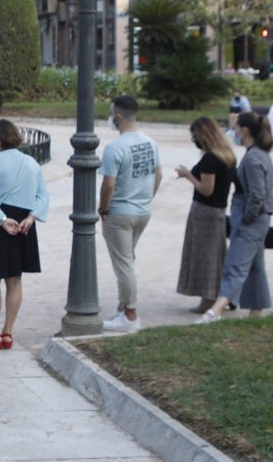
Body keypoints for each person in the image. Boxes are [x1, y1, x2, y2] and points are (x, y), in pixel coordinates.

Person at [0, 119, 47, 350]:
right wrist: (31, 218)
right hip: (24, 223)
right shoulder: (32, 163)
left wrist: (2, 220)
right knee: (15, 280)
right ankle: (8, 333)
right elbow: (43, 195)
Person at [201, 111, 273, 322]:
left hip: (251, 220)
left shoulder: (253, 158)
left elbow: (257, 195)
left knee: (234, 266)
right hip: (257, 219)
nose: (233, 134)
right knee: (255, 266)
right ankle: (257, 311)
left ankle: (215, 311)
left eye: (235, 129)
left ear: (245, 131)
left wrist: (246, 219)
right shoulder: (260, 154)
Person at [97, 95, 160, 331]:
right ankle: (123, 308)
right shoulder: (150, 143)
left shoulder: (115, 148)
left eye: (111, 112)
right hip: (142, 210)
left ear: (119, 116)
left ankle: (131, 316)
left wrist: (104, 208)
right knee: (127, 260)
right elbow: (159, 175)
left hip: (119, 213)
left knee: (123, 264)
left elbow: (108, 185)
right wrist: (145, 199)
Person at [173, 117, 234, 314]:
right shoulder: (226, 155)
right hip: (218, 211)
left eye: (195, 136)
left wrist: (188, 175)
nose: (194, 140)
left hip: (205, 211)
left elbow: (206, 189)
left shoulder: (210, 159)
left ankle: (208, 298)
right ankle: (222, 296)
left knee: (205, 257)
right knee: (216, 256)